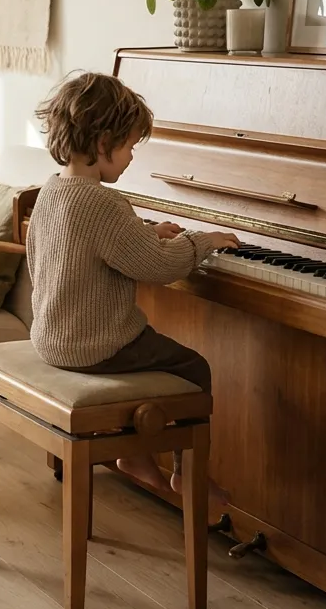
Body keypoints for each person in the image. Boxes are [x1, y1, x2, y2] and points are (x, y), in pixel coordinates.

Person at [24, 71, 238, 500]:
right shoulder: (105, 202)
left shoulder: (51, 192)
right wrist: (201, 241)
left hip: (51, 339)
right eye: (129, 146)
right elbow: (158, 266)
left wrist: (144, 231)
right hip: (96, 346)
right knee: (193, 367)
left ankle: (136, 456)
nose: (132, 158)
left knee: (149, 351)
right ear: (104, 143)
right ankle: (186, 472)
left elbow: (88, 243)